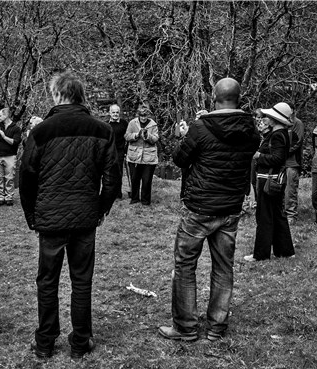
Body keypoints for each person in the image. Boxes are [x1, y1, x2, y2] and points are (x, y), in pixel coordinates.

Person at [20, 71, 120, 359]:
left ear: (57, 95)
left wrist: (32, 214)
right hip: (83, 216)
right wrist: (100, 208)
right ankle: (79, 341)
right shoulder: (101, 130)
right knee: (81, 279)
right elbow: (112, 179)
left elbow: (26, 178)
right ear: (80, 95)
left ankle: (46, 342)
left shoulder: (41, 131)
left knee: (48, 280)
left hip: (51, 216)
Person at [159, 78, 259, 342]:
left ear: (214, 96)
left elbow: (181, 159)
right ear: (239, 98)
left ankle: (185, 327)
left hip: (200, 207)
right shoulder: (250, 129)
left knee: (185, 266)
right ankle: (216, 326)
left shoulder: (201, 128)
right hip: (230, 207)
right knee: (223, 267)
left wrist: (187, 134)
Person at [244, 102, 296, 262]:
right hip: (272, 180)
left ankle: (260, 254)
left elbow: (278, 158)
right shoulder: (278, 134)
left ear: (276, 118)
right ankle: (285, 251)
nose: (266, 118)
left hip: (269, 180)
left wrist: (259, 156)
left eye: (269, 116)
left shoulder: (277, 135)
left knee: (264, 216)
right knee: (278, 215)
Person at [124, 104, 160, 205]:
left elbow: (155, 139)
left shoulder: (153, 124)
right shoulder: (132, 123)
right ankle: (134, 198)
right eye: (141, 115)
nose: (143, 118)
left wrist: (147, 135)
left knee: (146, 180)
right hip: (134, 156)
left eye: (145, 115)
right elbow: (126, 136)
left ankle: (145, 200)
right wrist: (136, 135)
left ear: (148, 114)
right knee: (134, 179)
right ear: (138, 115)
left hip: (149, 157)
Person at [0, 107, 22, 206]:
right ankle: (1, 196)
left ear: (6, 115)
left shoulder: (16, 128)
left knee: (9, 177)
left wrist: (4, 136)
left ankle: (9, 197)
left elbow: (15, 142)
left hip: (10, 155)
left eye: (0, 115)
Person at [283, 110, 304, 223]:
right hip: (282, 163)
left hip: (293, 162)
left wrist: (283, 152)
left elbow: (297, 142)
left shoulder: (297, 123)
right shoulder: (282, 123)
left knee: (290, 190)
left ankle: (291, 215)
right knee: (281, 189)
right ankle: (283, 213)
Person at [107, 104, 129, 199]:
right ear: (110, 113)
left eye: (117, 112)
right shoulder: (106, 124)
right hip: (108, 151)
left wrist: (126, 150)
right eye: (113, 112)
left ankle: (118, 194)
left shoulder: (124, 123)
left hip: (120, 151)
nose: (115, 114)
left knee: (119, 172)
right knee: (109, 173)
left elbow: (128, 137)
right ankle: (109, 193)